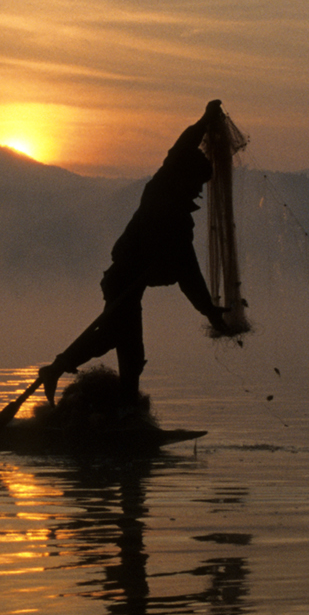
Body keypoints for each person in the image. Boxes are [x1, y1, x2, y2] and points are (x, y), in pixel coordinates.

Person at [39, 101, 239, 401]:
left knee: (126, 347)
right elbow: (180, 148)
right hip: (121, 280)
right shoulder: (159, 192)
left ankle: (75, 379)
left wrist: (209, 310)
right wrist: (203, 121)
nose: (198, 190)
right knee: (121, 342)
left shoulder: (181, 224)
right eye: (195, 182)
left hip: (132, 285)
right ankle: (58, 371)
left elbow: (189, 273)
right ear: (181, 177)